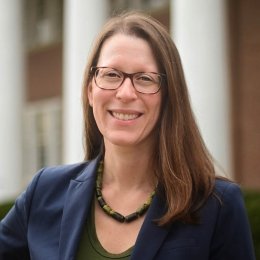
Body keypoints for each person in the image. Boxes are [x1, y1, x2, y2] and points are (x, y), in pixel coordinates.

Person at [0, 11, 255, 260]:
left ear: (168, 96)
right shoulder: (44, 192)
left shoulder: (217, 206)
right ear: (90, 91)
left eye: (144, 78)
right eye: (111, 75)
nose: (125, 93)